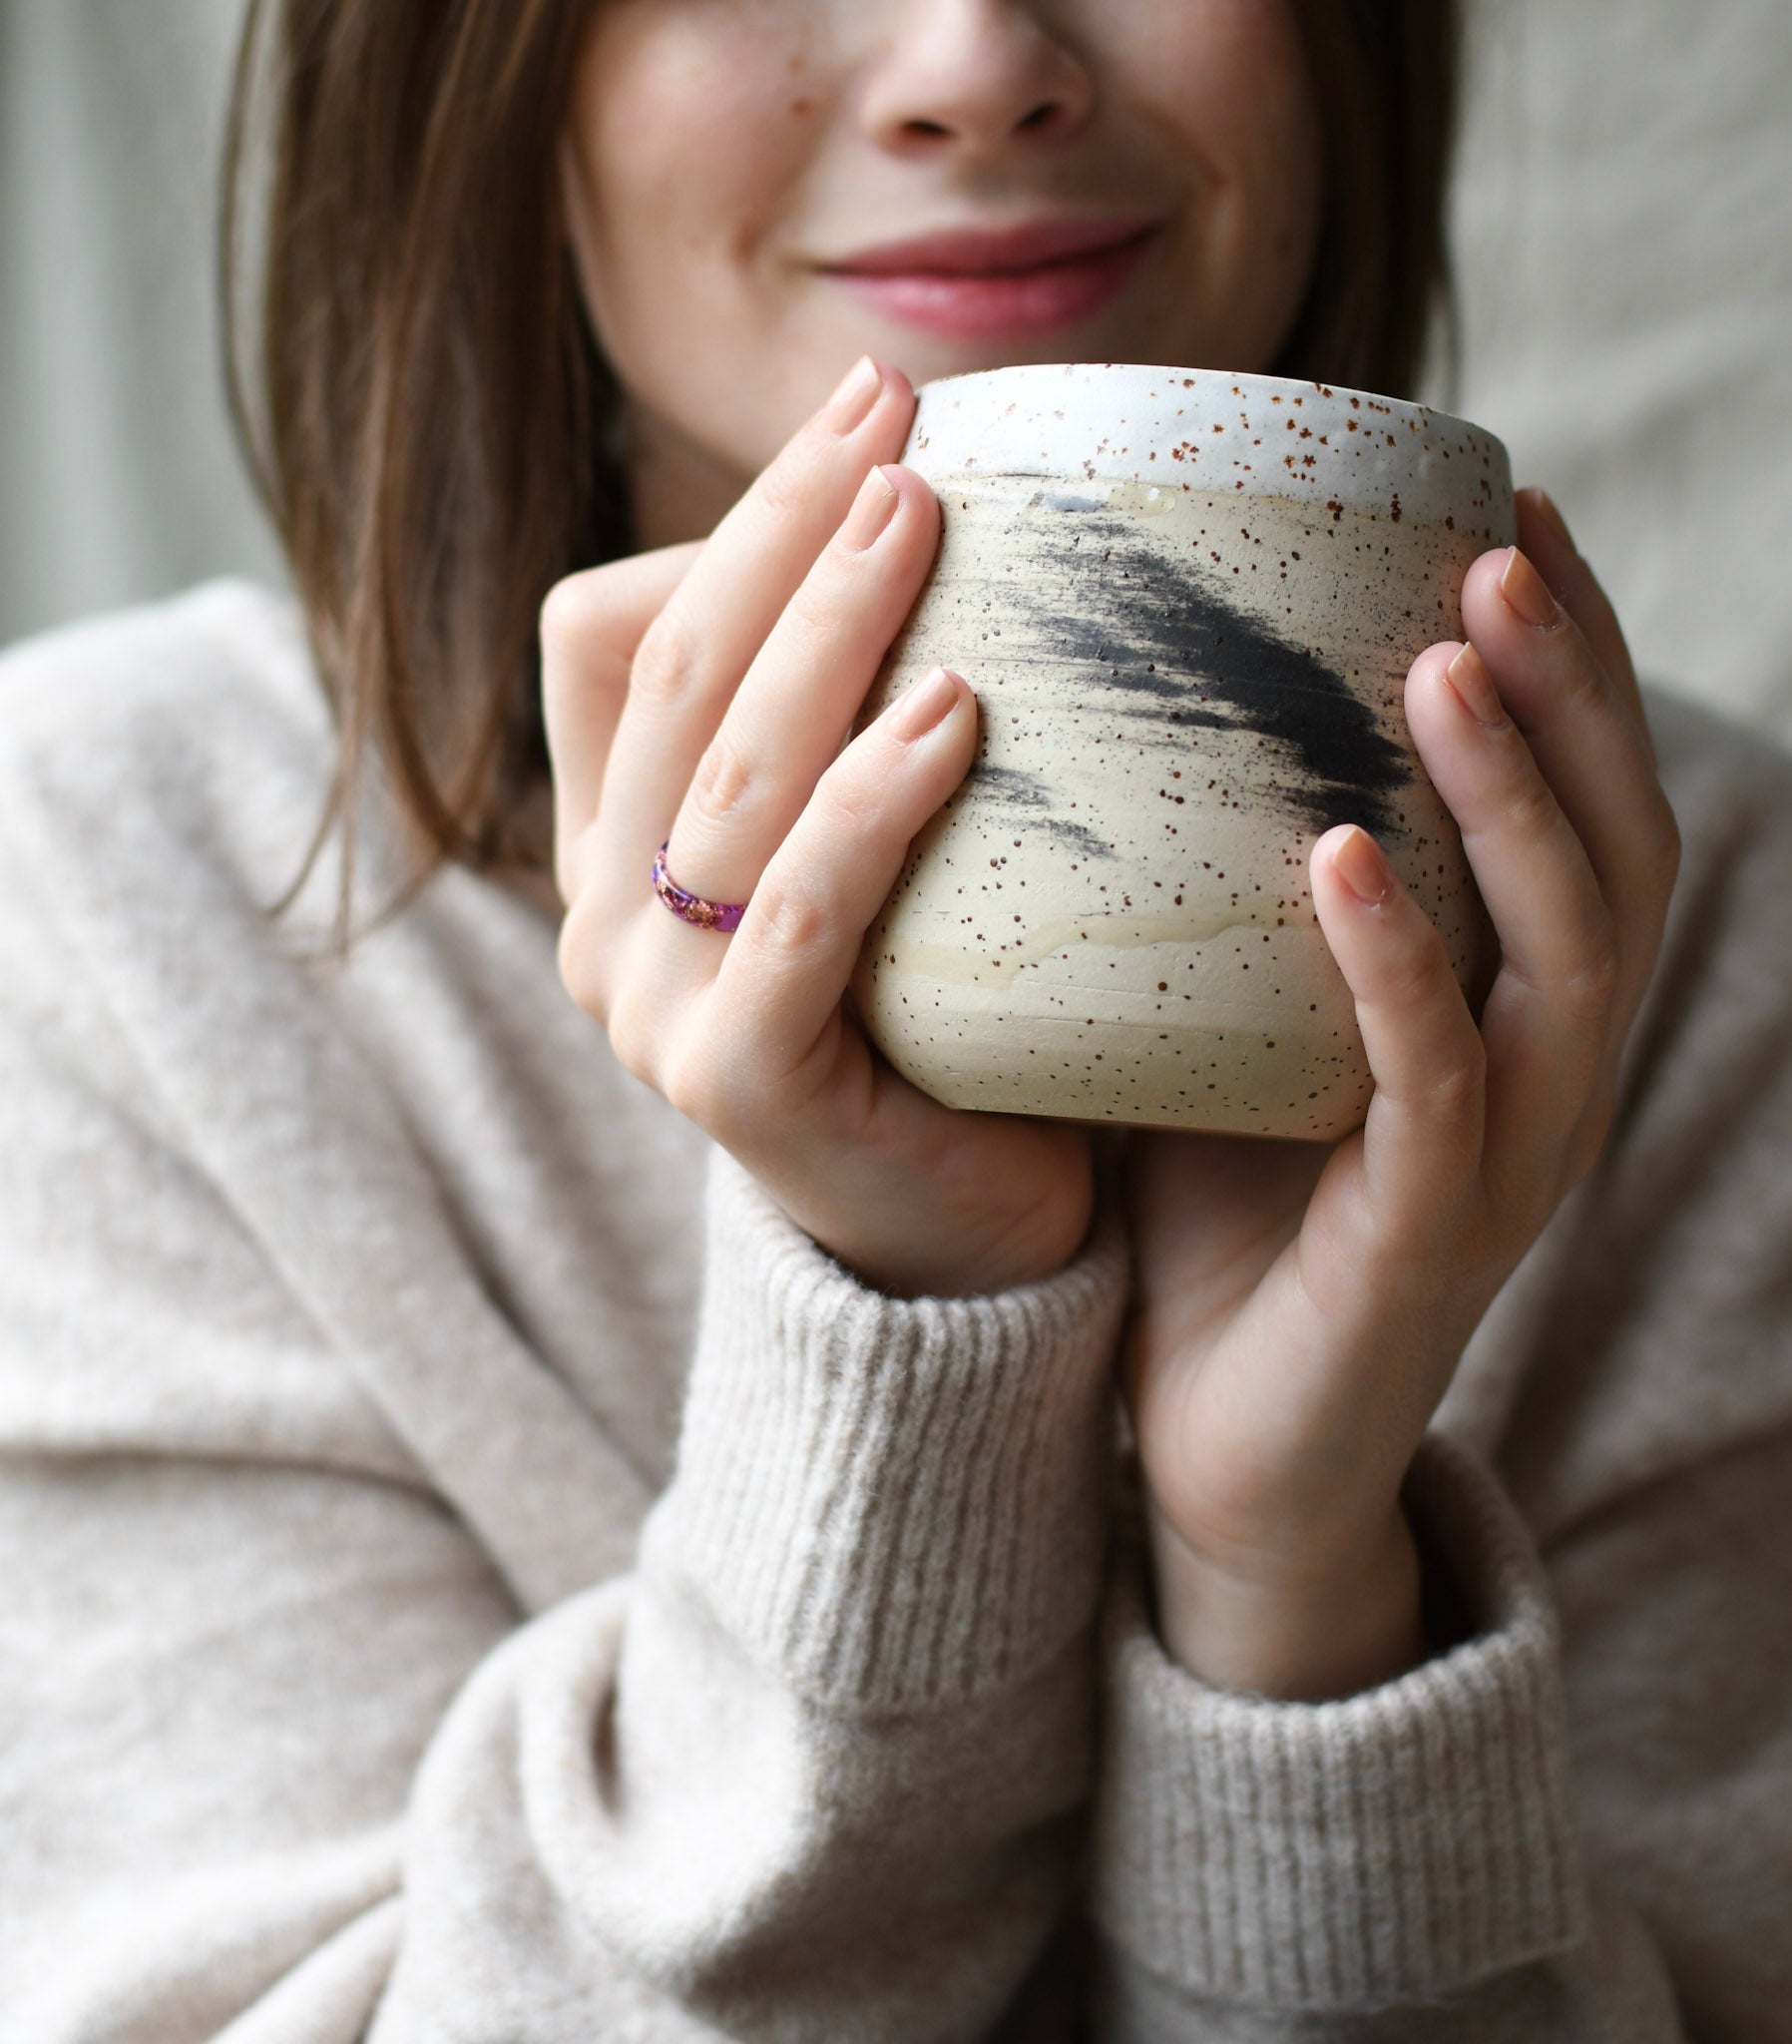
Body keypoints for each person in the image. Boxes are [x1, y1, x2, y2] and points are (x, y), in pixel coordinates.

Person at [1, 1, 1787, 2037]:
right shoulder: (108, 896)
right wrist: (894, 1357)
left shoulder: (1695, 924)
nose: (976, 59)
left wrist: (1299, 1570)